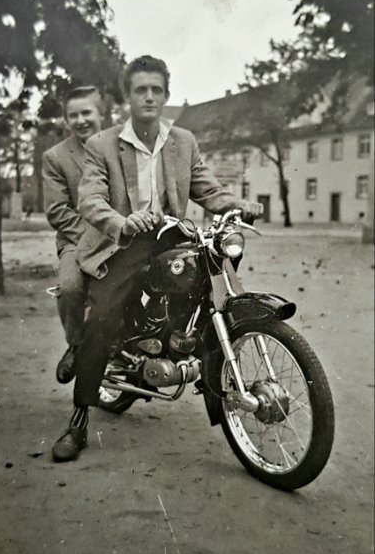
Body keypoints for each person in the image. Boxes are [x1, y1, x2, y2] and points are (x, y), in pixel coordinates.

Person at [51, 55, 263, 462]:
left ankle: (185, 352)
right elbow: (90, 200)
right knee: (103, 315)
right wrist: (122, 221)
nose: (149, 97)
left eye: (156, 90)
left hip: (170, 236)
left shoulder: (183, 140)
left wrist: (239, 204)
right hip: (123, 242)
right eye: (140, 90)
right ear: (128, 98)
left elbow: (209, 191)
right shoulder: (102, 144)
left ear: (165, 95)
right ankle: (79, 418)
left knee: (209, 279)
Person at [43, 86, 103, 385]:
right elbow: (57, 211)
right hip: (77, 240)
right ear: (66, 120)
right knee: (70, 287)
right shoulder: (56, 157)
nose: (81, 120)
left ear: (101, 113)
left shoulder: (123, 147)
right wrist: (96, 239)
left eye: (86, 113)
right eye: (73, 115)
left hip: (125, 236)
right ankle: (77, 345)